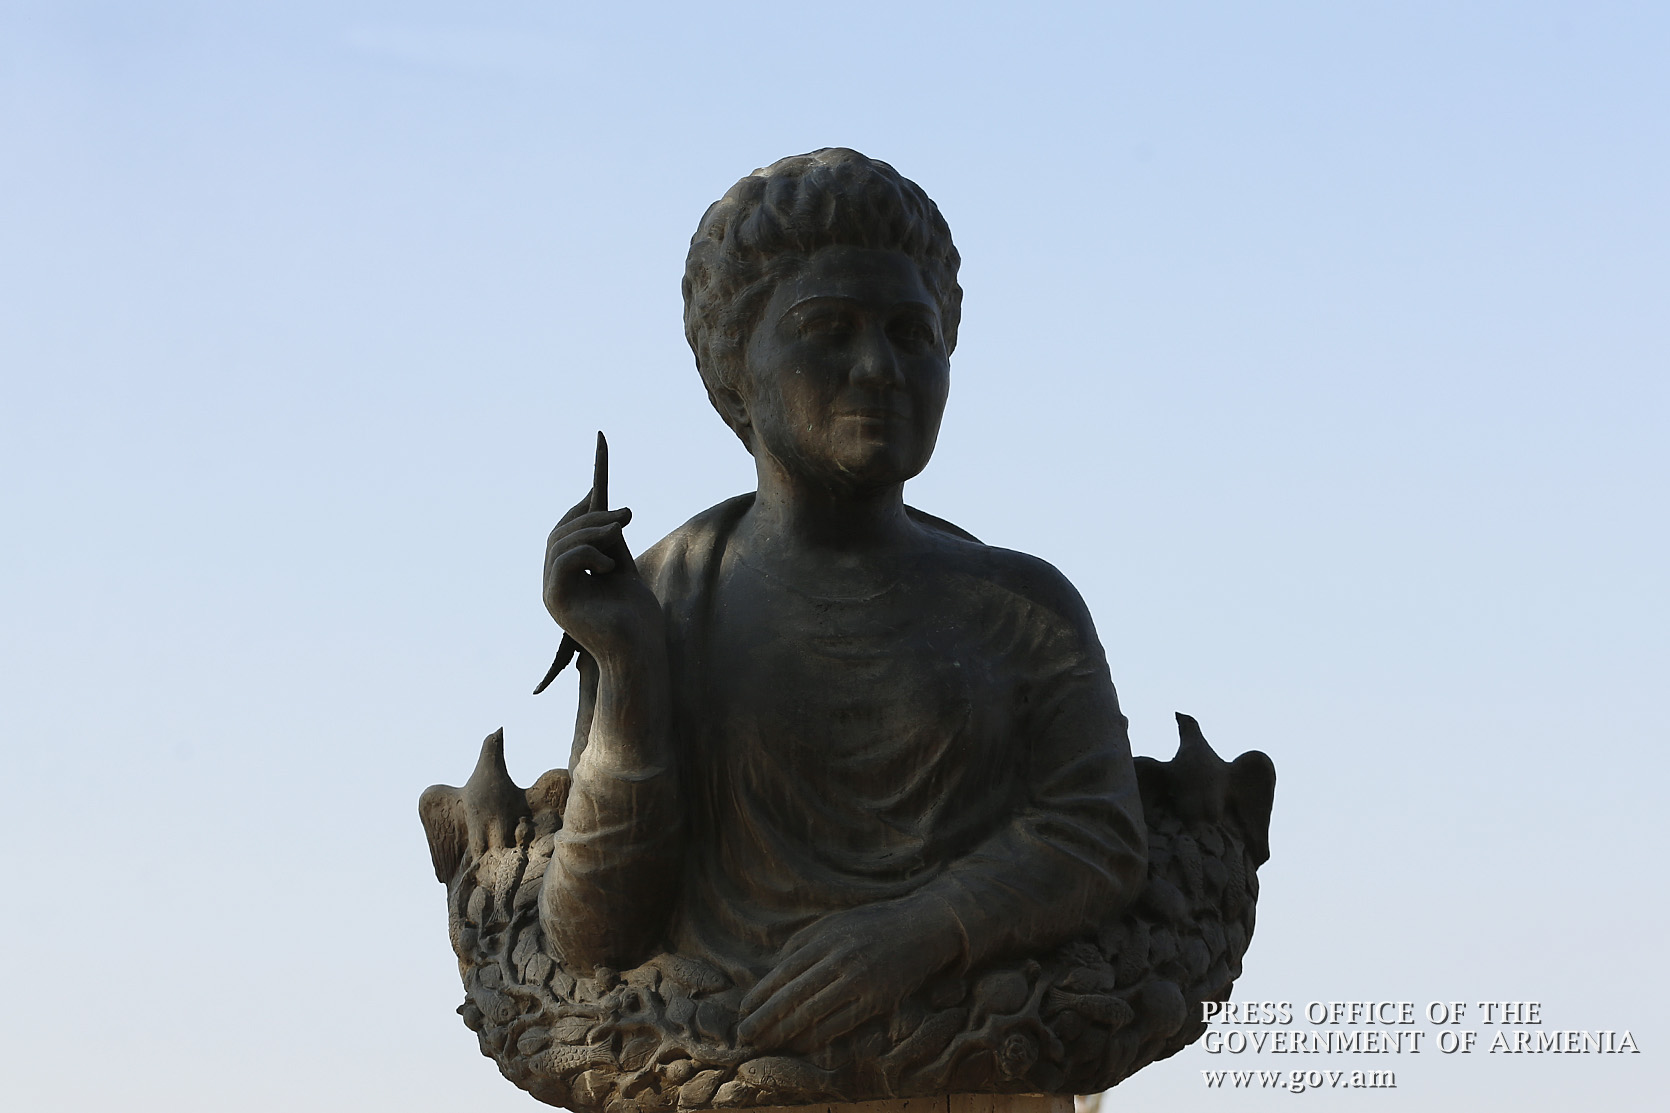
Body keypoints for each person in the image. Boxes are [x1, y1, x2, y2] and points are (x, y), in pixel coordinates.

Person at [537, 149, 1147, 1056]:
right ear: (735, 364)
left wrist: (921, 930)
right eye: (829, 327)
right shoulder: (662, 599)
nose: (879, 367)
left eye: (912, 333)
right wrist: (628, 672)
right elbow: (595, 938)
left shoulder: (1027, 605)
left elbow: (1100, 834)